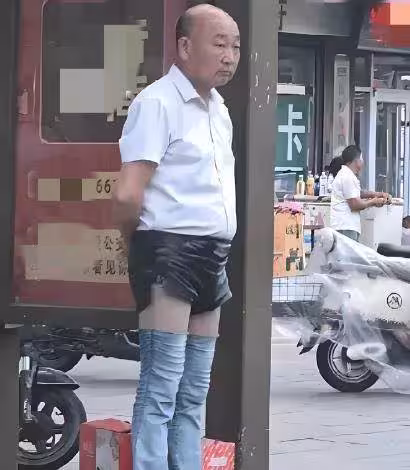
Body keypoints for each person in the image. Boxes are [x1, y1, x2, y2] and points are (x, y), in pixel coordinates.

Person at [114, 4, 240, 470]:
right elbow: (128, 193)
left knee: (194, 391)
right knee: (161, 387)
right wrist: (137, 245)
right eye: (219, 44)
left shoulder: (219, 110)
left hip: (213, 254)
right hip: (167, 252)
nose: (229, 56)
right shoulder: (157, 103)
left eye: (235, 46)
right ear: (184, 46)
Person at [330, 145, 391, 242]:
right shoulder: (347, 177)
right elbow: (355, 205)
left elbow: (357, 193)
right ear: (355, 161)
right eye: (361, 159)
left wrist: (377, 194)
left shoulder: (346, 174)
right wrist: (374, 202)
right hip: (345, 226)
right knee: (348, 252)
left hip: (344, 226)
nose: (363, 162)